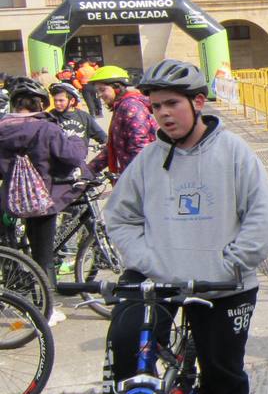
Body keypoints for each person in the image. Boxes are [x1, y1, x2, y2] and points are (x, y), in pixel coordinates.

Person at [87, 60, 268, 394]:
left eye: (172, 104)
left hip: (222, 285)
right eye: (156, 107)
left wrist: (232, 262)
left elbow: (262, 216)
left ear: (197, 102)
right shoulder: (149, 159)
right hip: (157, 277)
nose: (163, 115)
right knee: (122, 348)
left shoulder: (234, 152)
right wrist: (148, 261)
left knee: (223, 378)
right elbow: (120, 217)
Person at [0, 77, 88, 324]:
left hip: (9, 201)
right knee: (43, 257)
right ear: (40, 103)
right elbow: (70, 157)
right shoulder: (47, 128)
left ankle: (17, 295)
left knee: (12, 251)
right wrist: (77, 140)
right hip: (40, 203)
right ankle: (46, 312)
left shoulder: (1, 127)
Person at [87, 65, 157, 178]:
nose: (99, 95)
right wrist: (89, 169)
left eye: (102, 90)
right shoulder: (121, 106)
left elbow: (140, 146)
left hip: (142, 178)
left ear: (116, 87)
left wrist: (132, 179)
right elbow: (113, 146)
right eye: (97, 91)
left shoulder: (130, 106)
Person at [48, 82, 107, 149]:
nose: (57, 103)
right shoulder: (50, 116)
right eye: (55, 100)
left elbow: (102, 137)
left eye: (61, 100)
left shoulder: (84, 116)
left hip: (79, 157)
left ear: (72, 101)